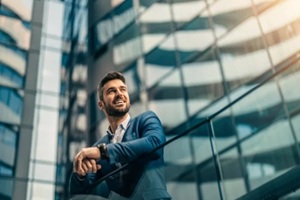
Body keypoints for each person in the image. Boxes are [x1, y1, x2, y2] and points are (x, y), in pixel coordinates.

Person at [69, 71, 171, 200]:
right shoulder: (98, 147)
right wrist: (80, 175)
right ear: (101, 104)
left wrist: (104, 152)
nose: (119, 94)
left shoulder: (146, 119)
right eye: (111, 91)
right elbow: (80, 192)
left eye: (123, 89)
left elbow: (155, 142)